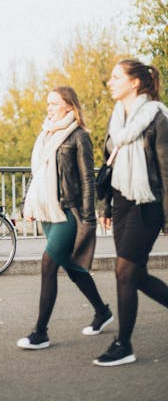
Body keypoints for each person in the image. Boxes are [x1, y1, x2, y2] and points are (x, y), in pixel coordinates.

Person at [17, 86, 112, 350]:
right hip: (48, 210)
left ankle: (40, 332)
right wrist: (27, 203)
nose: (49, 108)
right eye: (48, 103)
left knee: (48, 264)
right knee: (73, 268)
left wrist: (89, 217)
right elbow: (38, 175)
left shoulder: (79, 136)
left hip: (69, 211)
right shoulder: (45, 134)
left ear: (70, 106)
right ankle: (102, 312)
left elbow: (86, 179)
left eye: (54, 103)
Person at [95, 59, 168, 367]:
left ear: (135, 83)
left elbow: (166, 170)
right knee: (134, 274)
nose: (110, 82)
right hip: (122, 201)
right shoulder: (117, 119)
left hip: (147, 201)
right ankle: (123, 344)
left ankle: (123, 345)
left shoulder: (157, 117)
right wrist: (105, 205)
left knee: (124, 271)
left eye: (116, 77)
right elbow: (109, 163)